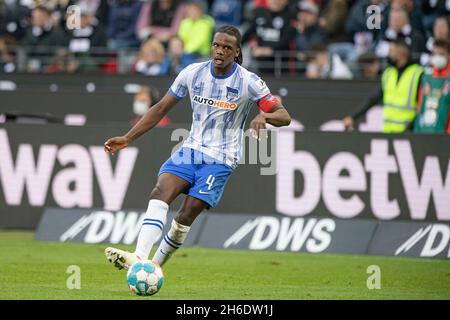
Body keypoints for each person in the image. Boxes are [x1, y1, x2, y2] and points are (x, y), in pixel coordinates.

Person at [103, 25, 291, 271]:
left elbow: (284, 116)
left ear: (236, 52)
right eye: (216, 45)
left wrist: (264, 117)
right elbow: (160, 108)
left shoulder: (249, 82)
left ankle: (155, 266)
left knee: (185, 216)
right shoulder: (192, 73)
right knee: (160, 192)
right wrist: (128, 138)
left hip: (221, 159)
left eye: (227, 47)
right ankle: (139, 259)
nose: (220, 51)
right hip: (191, 150)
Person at [344, 39, 424, 133]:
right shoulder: (388, 73)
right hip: (388, 131)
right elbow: (373, 99)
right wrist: (353, 117)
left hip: (409, 132)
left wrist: (411, 127)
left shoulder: (418, 73)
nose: (388, 54)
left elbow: (422, 106)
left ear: (401, 53)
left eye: (391, 51)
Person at [414, 39, 450, 134]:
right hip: (426, 131)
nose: (437, 57)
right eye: (434, 54)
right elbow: (421, 105)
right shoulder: (427, 78)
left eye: (441, 54)